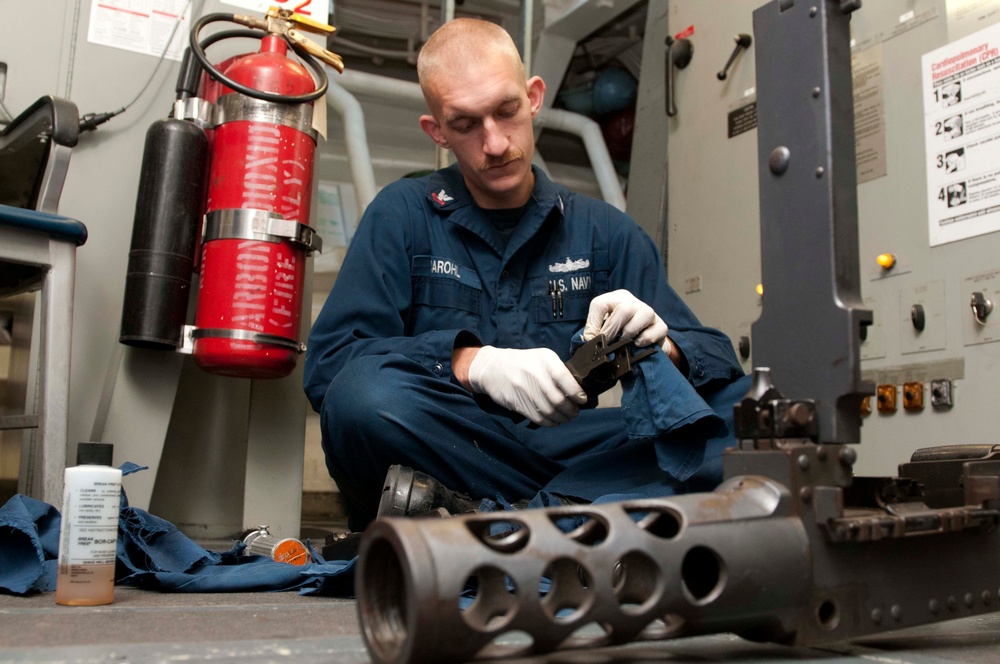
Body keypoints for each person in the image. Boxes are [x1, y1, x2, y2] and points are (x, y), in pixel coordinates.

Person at [304, 18, 748, 532]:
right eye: (466, 124)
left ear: (534, 97)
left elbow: (719, 362)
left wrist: (660, 345)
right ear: (438, 132)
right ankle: (573, 519)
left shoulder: (604, 232)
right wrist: (471, 364)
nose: (494, 143)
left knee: (744, 412)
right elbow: (330, 368)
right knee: (362, 399)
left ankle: (502, 522)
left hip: (574, 453)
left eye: (506, 111)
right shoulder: (403, 215)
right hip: (453, 447)